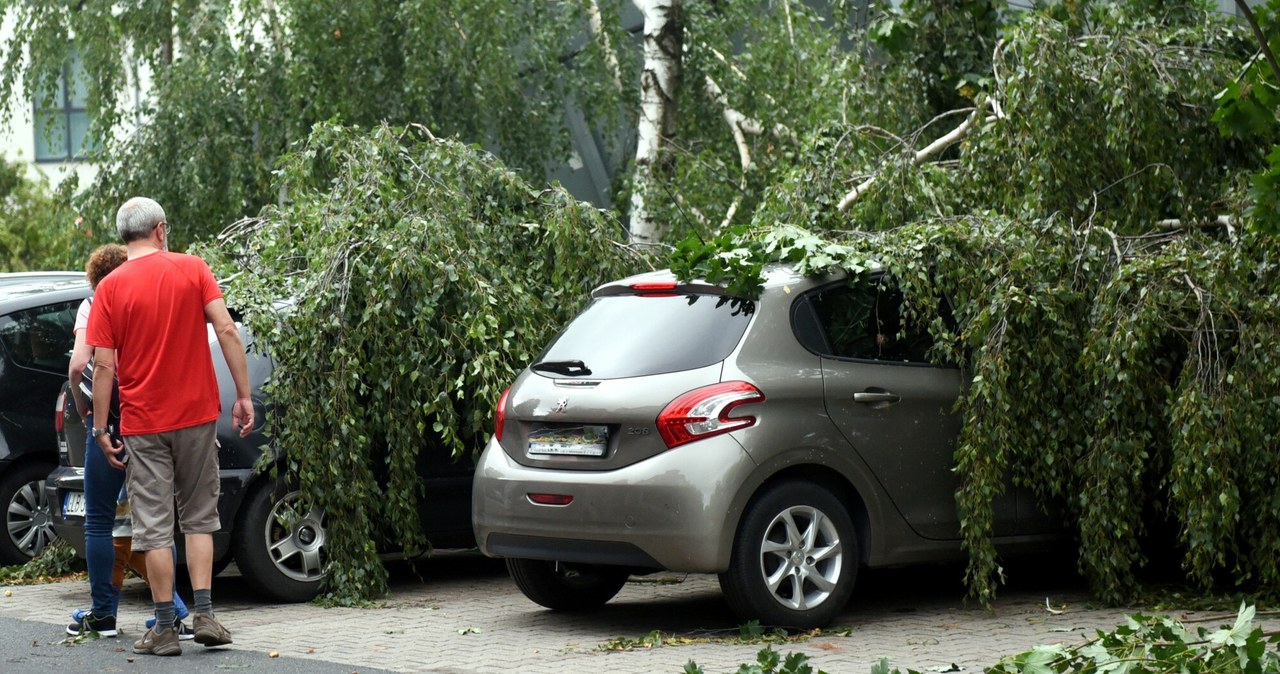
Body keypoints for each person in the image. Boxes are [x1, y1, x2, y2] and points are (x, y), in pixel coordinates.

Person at [86, 197, 254, 657]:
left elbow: (102, 367)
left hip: (143, 423)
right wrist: (242, 395)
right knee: (200, 517)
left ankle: (164, 629)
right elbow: (227, 331)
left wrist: (102, 429)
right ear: (160, 229)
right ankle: (204, 615)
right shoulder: (193, 268)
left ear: (126, 235)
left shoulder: (110, 288)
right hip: (198, 416)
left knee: (154, 527)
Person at [65, 244, 193, 640]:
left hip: (110, 418)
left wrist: (89, 414)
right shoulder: (148, 299)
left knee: (100, 520)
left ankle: (103, 615)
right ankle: (172, 613)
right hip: (151, 417)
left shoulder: (94, 304)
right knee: (154, 521)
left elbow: (78, 366)